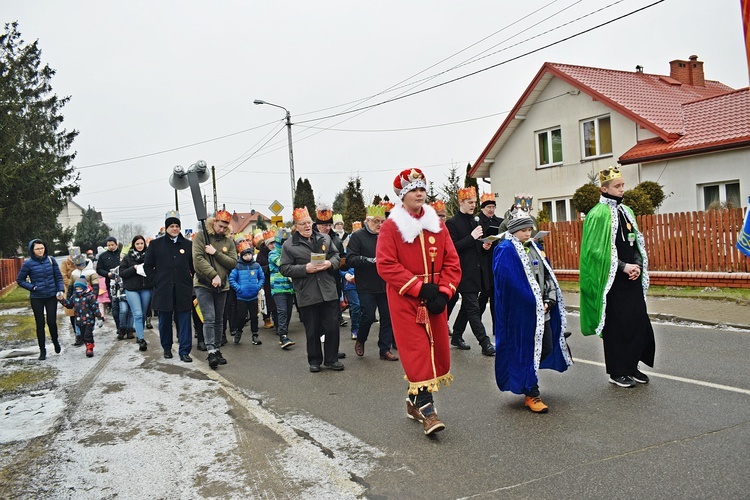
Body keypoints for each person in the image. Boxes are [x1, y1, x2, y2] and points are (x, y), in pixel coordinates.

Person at [376, 168, 462, 436]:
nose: (419, 193)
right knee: (417, 351)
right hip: (406, 300)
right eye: (413, 189)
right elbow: (386, 265)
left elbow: (452, 261)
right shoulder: (391, 227)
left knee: (436, 350)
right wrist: (418, 287)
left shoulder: (438, 225)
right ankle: (427, 409)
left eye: (422, 189)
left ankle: (414, 401)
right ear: (403, 196)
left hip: (435, 297)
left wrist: (444, 292)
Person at [579, 167, 656, 388]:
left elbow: (636, 243)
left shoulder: (627, 211)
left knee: (637, 321)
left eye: (623, 185)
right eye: (617, 186)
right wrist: (622, 267)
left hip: (631, 278)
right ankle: (617, 371)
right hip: (611, 281)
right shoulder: (597, 214)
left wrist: (638, 265)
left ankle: (632, 366)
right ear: (604, 189)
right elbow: (594, 251)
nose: (622, 189)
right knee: (616, 325)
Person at [493, 211, 572, 412]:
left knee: (545, 347)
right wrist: (532, 302)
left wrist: (549, 299)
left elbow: (548, 276)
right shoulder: (505, 249)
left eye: (529, 229)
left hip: (541, 311)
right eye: (523, 230)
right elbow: (509, 284)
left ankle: (528, 380)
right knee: (525, 350)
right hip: (522, 314)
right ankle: (531, 392)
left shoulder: (535, 247)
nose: (528, 234)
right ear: (513, 230)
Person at [280, 206, 343, 373]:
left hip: (328, 289)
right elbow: (284, 268)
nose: (307, 226)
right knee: (312, 329)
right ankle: (314, 360)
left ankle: (332, 359)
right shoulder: (289, 245)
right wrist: (304, 269)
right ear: (296, 226)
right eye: (302, 224)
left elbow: (336, 256)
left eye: (309, 223)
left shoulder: (324, 239)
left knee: (332, 327)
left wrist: (330, 263)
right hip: (307, 292)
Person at [445, 186, 496, 356]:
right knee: (473, 308)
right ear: (461, 202)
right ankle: (485, 343)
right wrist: (472, 237)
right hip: (463, 272)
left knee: (467, 308)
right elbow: (452, 248)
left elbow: (476, 246)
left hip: (477, 272)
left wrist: (484, 245)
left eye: (474, 202)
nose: (473, 205)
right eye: (470, 202)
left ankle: (457, 335)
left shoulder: (476, 221)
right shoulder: (452, 223)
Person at [347, 204, 397, 361]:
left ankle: (384, 349)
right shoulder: (358, 237)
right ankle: (361, 339)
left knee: (387, 316)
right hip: (366, 285)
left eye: (382, 221)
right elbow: (350, 259)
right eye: (376, 221)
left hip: (385, 284)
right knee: (368, 316)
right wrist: (368, 261)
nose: (380, 225)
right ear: (367, 221)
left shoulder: (387, 235)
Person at [144, 211, 194, 363]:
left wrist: (190, 281)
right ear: (166, 228)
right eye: (171, 226)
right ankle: (167, 347)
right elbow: (148, 266)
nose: (174, 229)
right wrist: (156, 281)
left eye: (177, 226)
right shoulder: (156, 245)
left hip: (183, 289)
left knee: (185, 321)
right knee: (165, 321)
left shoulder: (188, 245)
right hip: (163, 290)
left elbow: (193, 267)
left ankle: (184, 350)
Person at [193, 209, 237, 368]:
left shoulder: (228, 241)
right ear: (213, 223)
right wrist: (213, 275)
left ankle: (217, 348)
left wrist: (215, 253)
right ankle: (211, 350)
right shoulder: (201, 237)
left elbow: (232, 262)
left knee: (219, 319)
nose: (222, 229)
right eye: (220, 226)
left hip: (222, 285)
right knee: (209, 318)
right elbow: (197, 259)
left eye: (225, 227)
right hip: (203, 284)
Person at [16, 239, 65, 360]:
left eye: (42, 248)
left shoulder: (51, 260)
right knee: (40, 324)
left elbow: (58, 277)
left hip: (51, 296)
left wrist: (60, 290)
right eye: (37, 249)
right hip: (37, 297)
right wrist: (32, 287)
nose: (40, 251)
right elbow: (20, 280)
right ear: (32, 250)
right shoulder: (28, 263)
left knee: (52, 322)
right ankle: (42, 350)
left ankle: (55, 341)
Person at [120, 235, 154, 352]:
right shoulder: (128, 258)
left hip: (146, 289)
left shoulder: (149, 256)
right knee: (138, 314)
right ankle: (141, 339)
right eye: (137, 244)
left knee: (143, 314)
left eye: (142, 243)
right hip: (132, 289)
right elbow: (122, 273)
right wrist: (134, 268)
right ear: (134, 245)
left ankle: (140, 332)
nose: (140, 246)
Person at [228, 240, 264, 345]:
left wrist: (258, 287)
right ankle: (239, 331)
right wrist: (239, 289)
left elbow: (261, 277)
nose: (248, 257)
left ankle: (255, 334)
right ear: (241, 255)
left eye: (249, 254)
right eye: (245, 255)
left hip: (253, 296)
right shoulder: (237, 266)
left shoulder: (256, 266)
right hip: (241, 297)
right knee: (241, 316)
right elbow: (232, 279)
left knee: (254, 316)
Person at [477, 192, 504, 334]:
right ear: (482, 208)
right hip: (482, 263)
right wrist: (482, 244)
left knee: (495, 297)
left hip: (495, 260)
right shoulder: (477, 221)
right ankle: (477, 325)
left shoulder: (498, 222)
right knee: (483, 296)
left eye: (493, 207)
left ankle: (496, 329)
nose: (491, 209)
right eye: (488, 207)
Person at [59, 278, 105, 358]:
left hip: (89, 320)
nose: (78, 290)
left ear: (84, 288)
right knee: (83, 335)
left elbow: (95, 308)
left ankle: (90, 348)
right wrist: (62, 300)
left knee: (88, 334)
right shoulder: (74, 297)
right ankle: (87, 345)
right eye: (76, 289)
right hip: (79, 321)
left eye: (79, 289)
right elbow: (69, 305)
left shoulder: (90, 296)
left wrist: (99, 318)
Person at [268, 228, 296, 349]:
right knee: (282, 311)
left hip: (290, 288)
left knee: (289, 312)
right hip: (278, 288)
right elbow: (282, 263)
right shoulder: (273, 254)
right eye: (283, 241)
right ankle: (283, 336)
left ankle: (284, 333)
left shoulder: (292, 254)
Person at [69, 253, 100, 346]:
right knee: (76, 318)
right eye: (77, 265)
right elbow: (70, 287)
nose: (80, 267)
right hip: (77, 299)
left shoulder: (91, 272)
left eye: (81, 264)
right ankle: (79, 336)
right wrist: (68, 298)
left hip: (88, 298)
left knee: (89, 319)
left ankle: (88, 335)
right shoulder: (74, 273)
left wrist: (93, 297)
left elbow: (96, 286)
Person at [96, 236, 121, 327]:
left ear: (116, 244)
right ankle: (119, 326)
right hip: (110, 284)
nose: (111, 247)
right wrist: (107, 274)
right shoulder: (103, 256)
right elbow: (99, 269)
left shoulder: (122, 254)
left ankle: (128, 326)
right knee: (115, 306)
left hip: (124, 282)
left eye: (112, 245)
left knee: (125, 307)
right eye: (108, 245)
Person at [255, 230, 277, 331]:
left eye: (274, 243)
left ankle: (278, 322)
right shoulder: (261, 254)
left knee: (277, 303)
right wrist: (269, 268)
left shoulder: (278, 252)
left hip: (277, 280)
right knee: (266, 300)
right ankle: (266, 318)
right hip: (266, 281)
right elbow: (258, 268)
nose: (273, 245)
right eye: (271, 243)